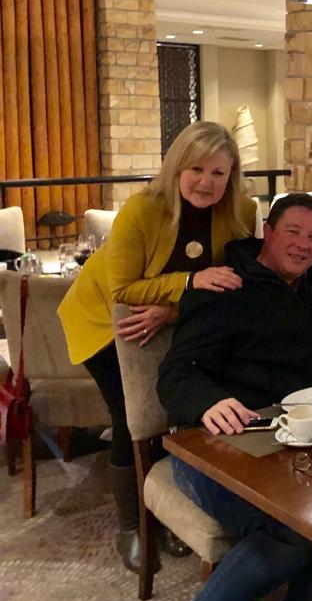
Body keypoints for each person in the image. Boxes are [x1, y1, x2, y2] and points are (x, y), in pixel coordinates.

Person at [56, 121, 255, 572]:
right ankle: (132, 526)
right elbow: (123, 288)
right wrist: (190, 282)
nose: (206, 182)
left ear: (232, 174)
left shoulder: (241, 210)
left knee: (170, 411)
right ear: (177, 167)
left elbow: (231, 283)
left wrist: (174, 310)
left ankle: (163, 514)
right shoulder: (142, 208)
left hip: (165, 318)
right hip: (107, 319)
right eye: (196, 169)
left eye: (218, 172)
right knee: (131, 418)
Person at [157, 193, 312, 601]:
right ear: (267, 231)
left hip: (286, 444)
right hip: (209, 446)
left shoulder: (305, 284)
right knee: (295, 532)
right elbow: (175, 372)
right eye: (293, 232)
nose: (303, 245)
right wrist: (209, 402)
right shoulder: (224, 287)